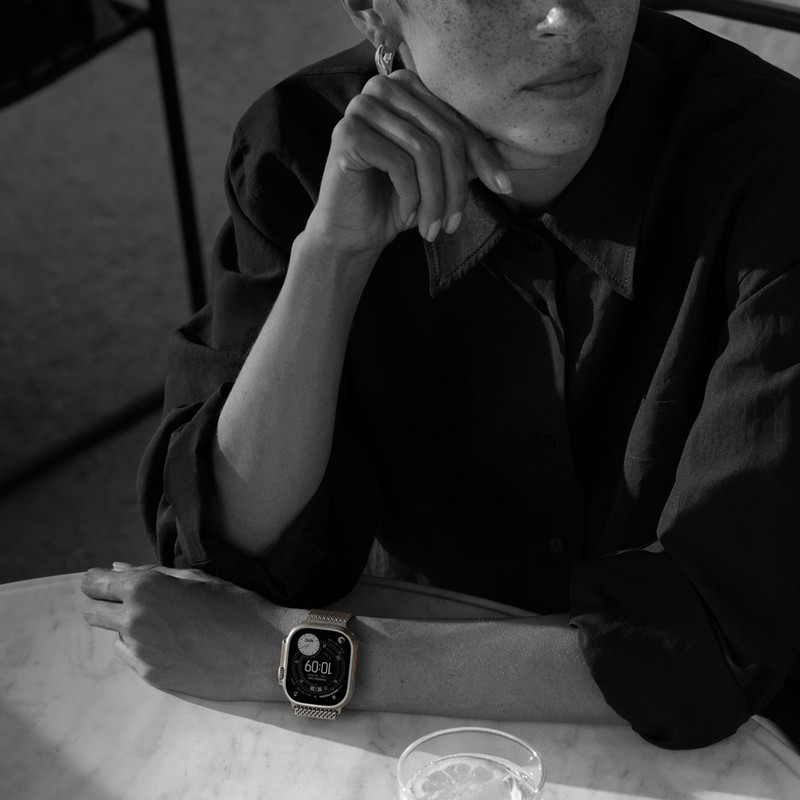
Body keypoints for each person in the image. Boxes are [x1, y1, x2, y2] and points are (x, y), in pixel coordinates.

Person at [82, 0, 800, 750]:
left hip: (739, 753)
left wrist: (292, 657)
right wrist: (333, 255)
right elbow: (230, 553)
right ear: (375, 12)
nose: (564, 17)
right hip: (413, 735)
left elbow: (710, 647)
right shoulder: (300, 142)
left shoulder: (776, 170)